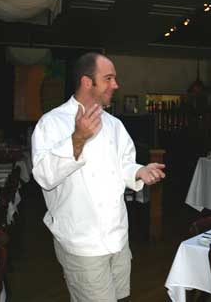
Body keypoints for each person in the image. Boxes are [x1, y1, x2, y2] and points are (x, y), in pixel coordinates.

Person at [31, 52, 165, 302]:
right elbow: (44, 176)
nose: (116, 85)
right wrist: (77, 138)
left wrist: (139, 171)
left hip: (117, 236)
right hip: (81, 240)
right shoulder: (51, 123)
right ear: (86, 82)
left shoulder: (114, 125)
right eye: (108, 78)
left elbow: (122, 164)